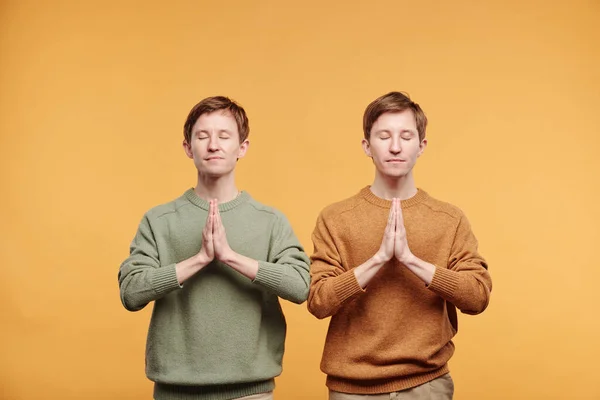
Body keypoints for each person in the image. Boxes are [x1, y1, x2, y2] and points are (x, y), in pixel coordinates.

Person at [118, 96, 310, 400]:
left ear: (242, 148)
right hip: (174, 392)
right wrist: (199, 260)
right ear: (187, 147)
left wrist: (231, 257)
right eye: (202, 136)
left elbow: (300, 287)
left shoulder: (270, 221)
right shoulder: (159, 220)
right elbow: (130, 292)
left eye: (224, 136)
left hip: (251, 392)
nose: (213, 145)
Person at [307, 91, 492, 399]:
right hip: (351, 390)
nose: (395, 146)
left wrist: (410, 260)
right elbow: (317, 301)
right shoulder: (335, 218)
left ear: (421, 146)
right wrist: (378, 259)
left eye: (406, 136)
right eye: (384, 136)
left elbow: (477, 296)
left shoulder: (449, 218)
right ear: (367, 146)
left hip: (427, 386)